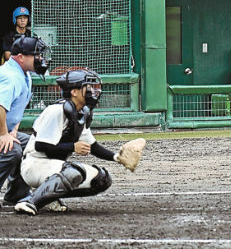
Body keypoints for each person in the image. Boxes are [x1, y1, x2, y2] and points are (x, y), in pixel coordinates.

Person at [14, 69, 132, 215]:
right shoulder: (56, 110)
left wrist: (117, 157)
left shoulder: (81, 112)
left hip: (52, 167)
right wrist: (73, 147)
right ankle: (30, 202)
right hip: (34, 165)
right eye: (88, 87)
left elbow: (93, 147)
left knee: (102, 179)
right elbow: (41, 146)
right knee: (73, 172)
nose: (94, 91)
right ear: (74, 92)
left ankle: (48, 197)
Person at [0, 36, 51, 207]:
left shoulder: (24, 74)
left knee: (31, 145)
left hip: (5, 128)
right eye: (36, 55)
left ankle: (16, 194)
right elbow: (0, 106)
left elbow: (15, 108)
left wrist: (13, 130)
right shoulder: (10, 76)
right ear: (21, 57)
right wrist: (3, 134)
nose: (40, 59)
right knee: (11, 150)